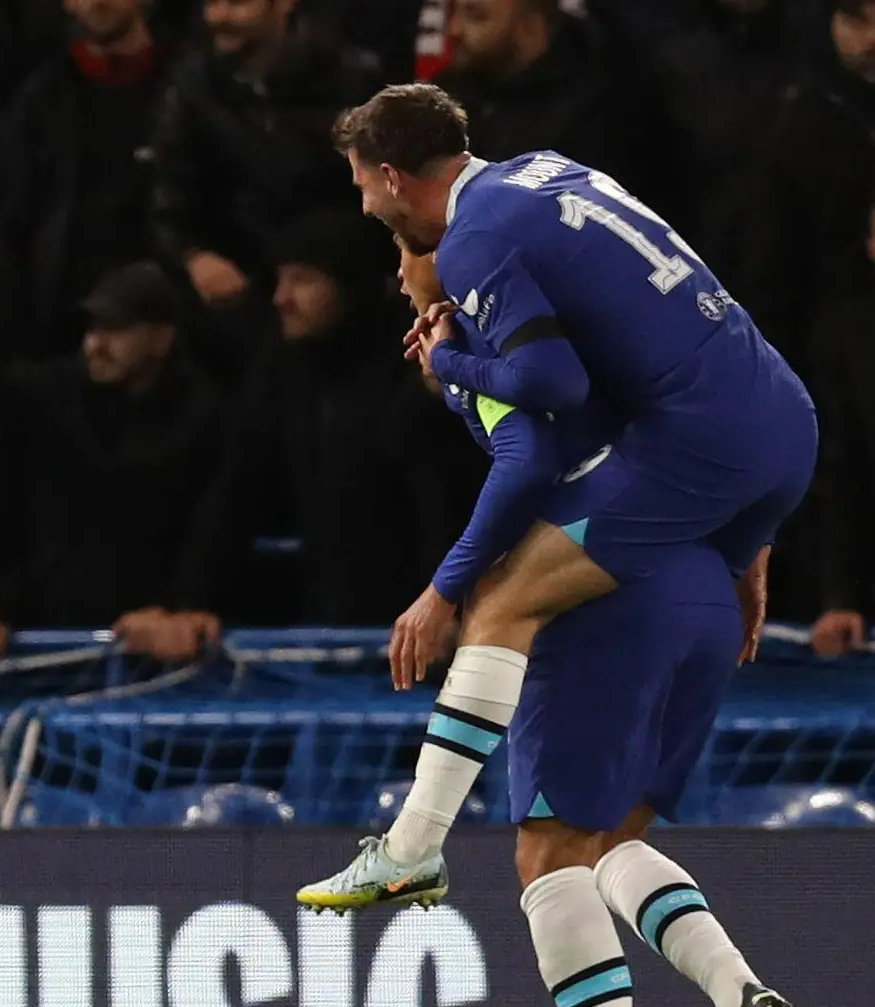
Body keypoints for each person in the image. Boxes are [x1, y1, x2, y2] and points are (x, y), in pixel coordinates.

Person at [301, 83, 815, 921]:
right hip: (783, 421)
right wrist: (752, 537)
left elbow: (546, 391)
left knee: (498, 599)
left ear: (391, 176)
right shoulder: (547, 170)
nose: (366, 208)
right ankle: (737, 1001)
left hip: (701, 445)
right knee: (612, 847)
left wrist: (451, 365)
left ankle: (409, 849)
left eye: (362, 187)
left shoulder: (474, 239)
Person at [314, 243, 801, 1007]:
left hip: (604, 592)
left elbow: (529, 461)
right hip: (700, 585)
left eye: (405, 250)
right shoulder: (589, 334)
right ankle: (744, 994)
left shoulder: (488, 339)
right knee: (613, 844)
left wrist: (445, 586)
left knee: (548, 864)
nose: (395, 271)